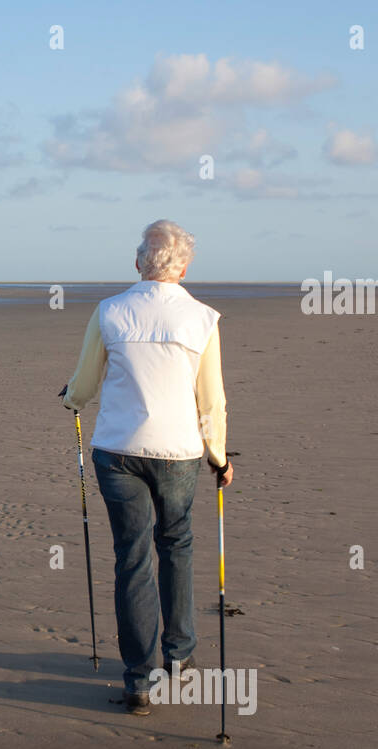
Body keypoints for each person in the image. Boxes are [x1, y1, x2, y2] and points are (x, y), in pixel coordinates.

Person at [61, 220, 231, 715]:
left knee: (132, 557)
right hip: (178, 452)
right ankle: (179, 656)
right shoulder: (202, 318)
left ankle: (139, 680)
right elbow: (211, 401)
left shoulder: (110, 311)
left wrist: (72, 399)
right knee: (175, 545)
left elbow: (86, 381)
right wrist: (219, 456)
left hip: (117, 449)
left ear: (138, 262)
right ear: (183, 266)